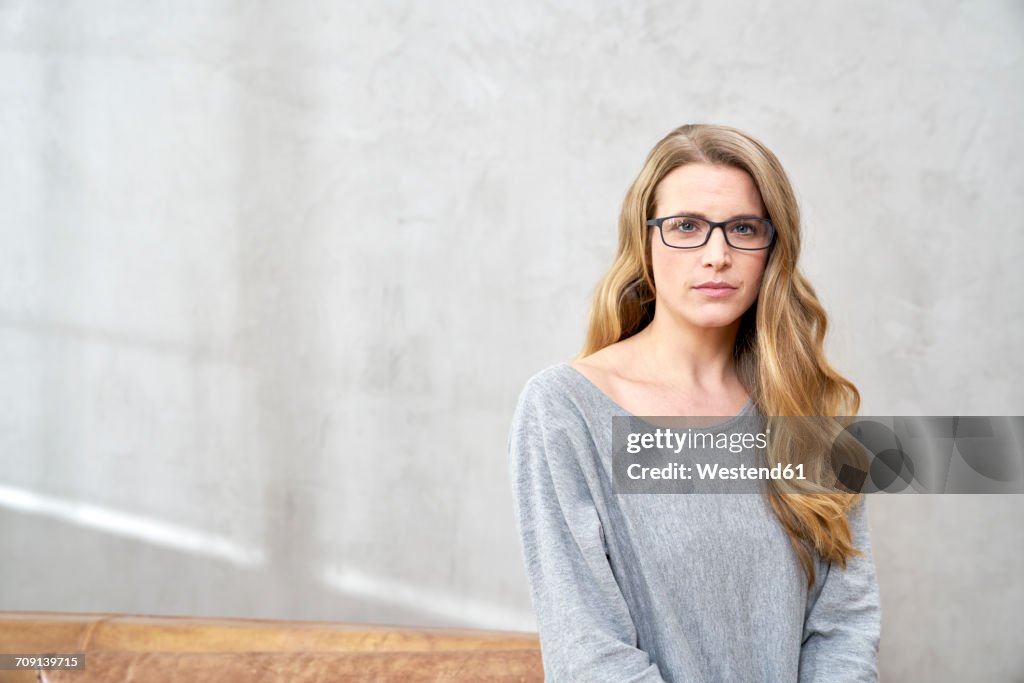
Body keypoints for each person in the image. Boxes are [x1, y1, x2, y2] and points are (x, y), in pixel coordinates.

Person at [507, 124, 881, 682]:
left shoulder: (811, 413)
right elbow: (590, 656)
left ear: (771, 248)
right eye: (686, 226)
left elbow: (844, 631)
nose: (717, 255)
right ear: (646, 238)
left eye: (743, 228)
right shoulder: (563, 409)